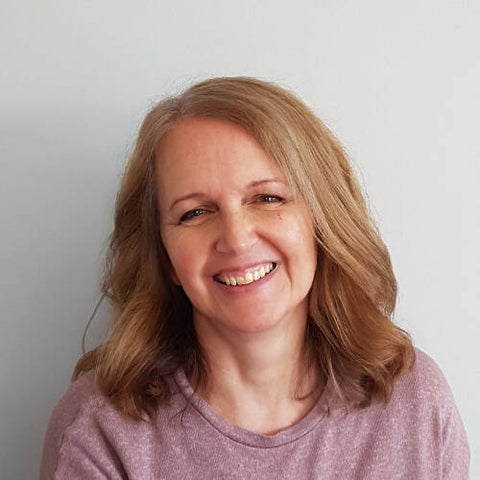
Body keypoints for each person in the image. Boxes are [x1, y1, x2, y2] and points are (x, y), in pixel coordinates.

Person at [40, 77, 470, 479]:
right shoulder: (99, 430)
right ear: (165, 258)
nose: (237, 238)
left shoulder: (415, 404)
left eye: (267, 198)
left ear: (322, 223)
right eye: (194, 212)